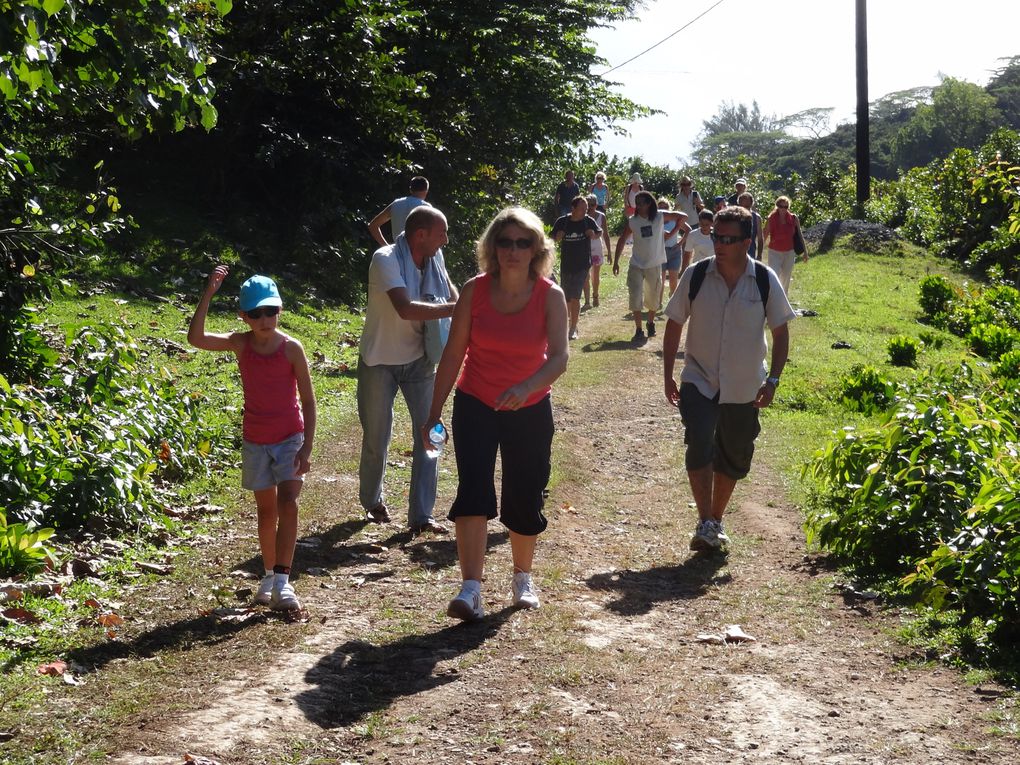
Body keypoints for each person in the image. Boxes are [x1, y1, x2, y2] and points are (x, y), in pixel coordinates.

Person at [424, 207, 569, 621]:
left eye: (523, 243)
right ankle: (470, 588)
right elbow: (454, 354)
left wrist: (526, 388)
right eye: (504, 242)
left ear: (537, 249)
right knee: (473, 490)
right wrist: (433, 412)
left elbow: (559, 358)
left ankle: (522, 578)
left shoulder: (549, 295)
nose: (513, 250)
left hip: (530, 408)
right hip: (475, 402)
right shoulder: (474, 290)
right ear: (492, 247)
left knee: (524, 490)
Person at [662, 206, 795, 552]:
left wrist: (774, 381)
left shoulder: (765, 279)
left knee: (734, 455)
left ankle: (715, 519)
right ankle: (705, 520)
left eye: (728, 239)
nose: (719, 244)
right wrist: (667, 375)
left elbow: (780, 334)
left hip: (745, 385)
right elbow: (675, 322)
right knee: (700, 440)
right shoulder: (696, 275)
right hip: (699, 377)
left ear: (746, 242)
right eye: (715, 237)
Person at [188, 268, 317, 611]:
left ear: (280, 311)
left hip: (290, 436)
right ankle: (269, 576)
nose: (265, 319)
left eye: (271, 311)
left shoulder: (291, 348)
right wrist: (209, 292)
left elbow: (308, 399)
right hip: (256, 440)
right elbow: (196, 338)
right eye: (256, 313)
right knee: (266, 512)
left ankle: (284, 581)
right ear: (244, 316)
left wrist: (307, 446)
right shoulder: (240, 343)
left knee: (289, 502)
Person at [358, 206, 459, 534]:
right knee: (377, 436)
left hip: (420, 360)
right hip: (379, 361)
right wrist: (457, 308)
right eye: (441, 233)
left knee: (432, 432)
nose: (446, 239)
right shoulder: (384, 259)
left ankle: (422, 516)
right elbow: (405, 308)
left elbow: (450, 289)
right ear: (420, 235)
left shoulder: (435, 259)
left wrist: (465, 305)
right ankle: (372, 502)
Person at [613, 190, 689, 343]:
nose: (638, 205)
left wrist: (673, 230)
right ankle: (639, 329)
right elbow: (622, 239)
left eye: (642, 202)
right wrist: (615, 261)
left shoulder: (659, 217)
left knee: (653, 296)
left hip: (654, 264)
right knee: (635, 295)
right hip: (636, 263)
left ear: (649, 204)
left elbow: (684, 217)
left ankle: (650, 322)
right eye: (637, 203)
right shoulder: (632, 221)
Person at [552, 196, 600, 340]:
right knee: (566, 297)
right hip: (566, 264)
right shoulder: (563, 221)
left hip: (583, 264)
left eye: (586, 208)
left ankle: (573, 328)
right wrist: (557, 237)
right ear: (573, 208)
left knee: (575, 296)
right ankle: (568, 325)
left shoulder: (587, 221)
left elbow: (599, 232)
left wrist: (593, 235)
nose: (585, 211)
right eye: (582, 208)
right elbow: (551, 237)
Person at [762, 195, 809, 296]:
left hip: (789, 252)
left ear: (788, 207)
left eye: (785, 207)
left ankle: (784, 300)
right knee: (773, 276)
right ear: (777, 206)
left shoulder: (793, 218)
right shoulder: (771, 218)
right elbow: (765, 234)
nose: (783, 209)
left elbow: (800, 235)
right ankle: (773, 297)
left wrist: (805, 252)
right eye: (781, 206)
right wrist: (760, 251)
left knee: (786, 278)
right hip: (774, 252)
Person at [367, 176, 431, 247]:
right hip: (418, 253)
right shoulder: (426, 207)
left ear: (410, 189)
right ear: (426, 191)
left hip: (398, 252)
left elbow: (373, 226)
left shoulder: (396, 204)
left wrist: (386, 247)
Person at [586, 194, 612, 308]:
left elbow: (606, 235)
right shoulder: (582, 216)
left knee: (595, 274)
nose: (590, 207)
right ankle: (587, 301)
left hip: (597, 247)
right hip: (584, 248)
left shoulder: (601, 216)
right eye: (587, 204)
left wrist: (609, 252)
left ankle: (595, 295)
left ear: (596, 205)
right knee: (585, 275)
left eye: (592, 204)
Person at [658, 197, 684, 307]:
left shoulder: (675, 219)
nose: (663, 209)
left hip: (674, 252)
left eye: (665, 207)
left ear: (669, 208)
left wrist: (680, 243)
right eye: (661, 207)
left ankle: (673, 302)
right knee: (661, 280)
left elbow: (688, 230)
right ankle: (658, 303)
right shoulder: (656, 220)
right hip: (660, 252)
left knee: (673, 280)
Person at [738, 192, 764, 260]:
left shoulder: (757, 218)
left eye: (747, 206)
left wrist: (759, 255)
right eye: (742, 206)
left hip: (750, 254)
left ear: (751, 205)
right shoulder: (734, 217)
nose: (744, 209)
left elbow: (760, 239)